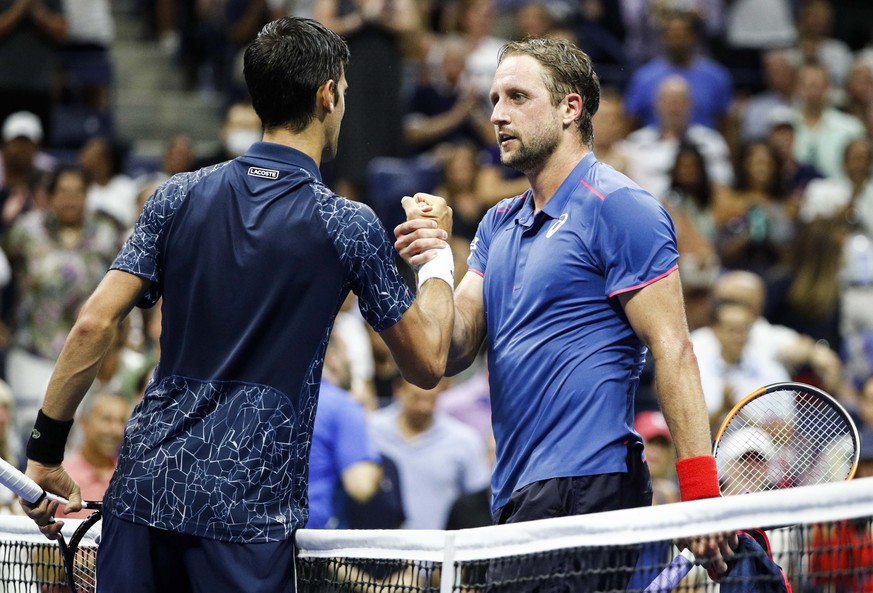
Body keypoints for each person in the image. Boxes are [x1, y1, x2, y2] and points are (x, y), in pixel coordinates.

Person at [20, 17, 455, 593]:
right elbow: (427, 363)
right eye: (344, 93)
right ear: (327, 95)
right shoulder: (346, 224)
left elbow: (93, 323)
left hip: (144, 497)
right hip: (247, 520)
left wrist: (46, 453)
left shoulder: (175, 195)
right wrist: (437, 260)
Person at [394, 35, 732, 582]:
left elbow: (674, 350)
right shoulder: (498, 224)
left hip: (589, 488)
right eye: (495, 100)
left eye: (517, 97)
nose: (498, 115)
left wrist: (700, 496)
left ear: (570, 108)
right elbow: (443, 353)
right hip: (515, 496)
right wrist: (434, 257)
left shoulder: (621, 208)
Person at [368, 378, 489, 530]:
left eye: (431, 399)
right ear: (398, 390)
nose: (423, 407)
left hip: (438, 547)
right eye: (416, 398)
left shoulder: (465, 440)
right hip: (379, 546)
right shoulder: (370, 430)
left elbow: (477, 504)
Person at [62, 392, 131, 519]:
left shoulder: (130, 477)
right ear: (84, 422)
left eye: (122, 421)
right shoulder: (62, 479)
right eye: (107, 419)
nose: (116, 430)